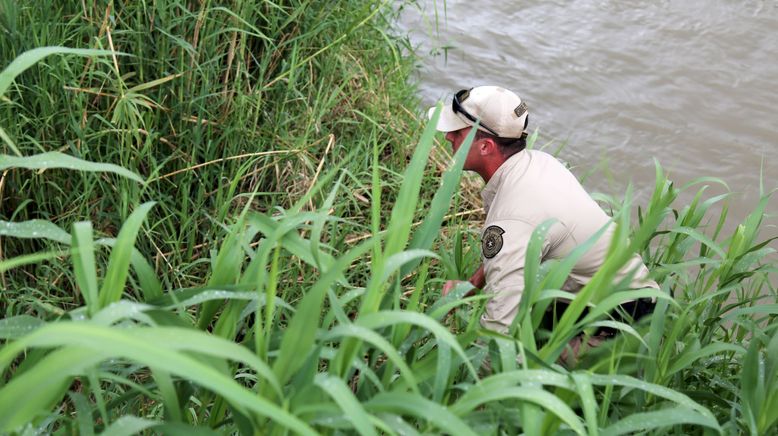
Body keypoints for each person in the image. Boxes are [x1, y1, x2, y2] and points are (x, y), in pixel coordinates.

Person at [429, 85, 659, 337]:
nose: (448, 137)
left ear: (486, 147)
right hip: (631, 294)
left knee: (526, 353)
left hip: (621, 320)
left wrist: (470, 369)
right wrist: (472, 286)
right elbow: (513, 247)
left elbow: (499, 329)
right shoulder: (537, 163)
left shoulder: (513, 215)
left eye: (457, 132)